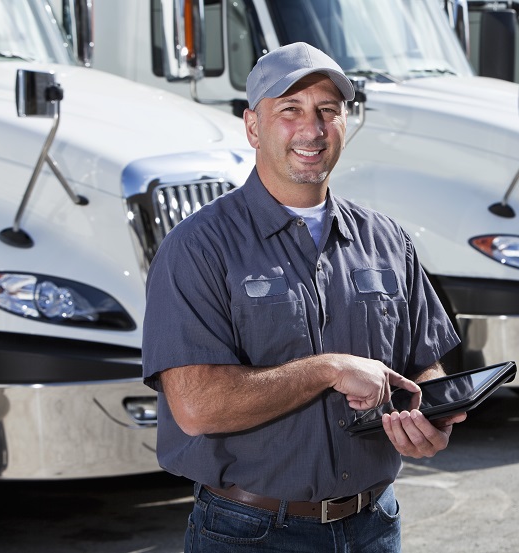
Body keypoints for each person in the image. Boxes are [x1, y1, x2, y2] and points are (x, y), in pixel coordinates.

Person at [141, 42, 466, 552]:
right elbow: (198, 406)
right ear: (253, 127)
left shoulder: (387, 241)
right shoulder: (199, 248)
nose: (312, 130)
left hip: (373, 526)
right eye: (290, 110)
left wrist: (429, 416)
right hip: (250, 534)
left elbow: (424, 364)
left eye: (327, 112)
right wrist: (327, 369)